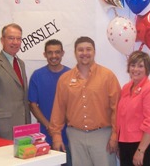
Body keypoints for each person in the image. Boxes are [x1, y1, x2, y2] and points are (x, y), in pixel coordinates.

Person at [49, 36, 121, 166]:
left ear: (94, 52)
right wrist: (56, 136)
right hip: (75, 137)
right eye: (80, 50)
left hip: (102, 136)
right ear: (75, 53)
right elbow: (58, 109)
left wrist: (115, 135)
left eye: (88, 49)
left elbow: (117, 108)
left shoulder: (107, 76)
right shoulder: (64, 79)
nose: (84, 53)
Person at [117, 50, 150, 166]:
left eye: (140, 66)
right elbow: (121, 119)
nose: (135, 69)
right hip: (126, 144)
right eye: (133, 65)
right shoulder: (126, 88)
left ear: (147, 69)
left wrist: (140, 150)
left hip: (147, 146)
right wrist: (121, 145)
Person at [28, 39, 72, 166]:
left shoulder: (71, 74)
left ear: (62, 53)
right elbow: (32, 105)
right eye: (50, 53)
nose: (54, 56)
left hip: (67, 134)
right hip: (44, 134)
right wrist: (49, 126)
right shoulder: (37, 75)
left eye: (57, 52)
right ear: (44, 54)